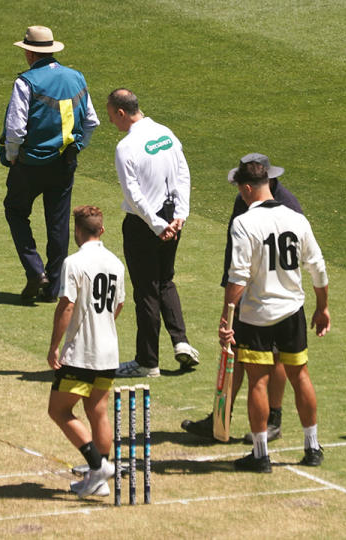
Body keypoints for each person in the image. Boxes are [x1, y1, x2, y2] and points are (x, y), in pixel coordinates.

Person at [181, 153, 302, 443]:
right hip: (246, 294)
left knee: (274, 359)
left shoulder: (288, 206)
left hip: (272, 299)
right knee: (233, 353)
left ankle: (274, 419)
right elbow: (234, 251)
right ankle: (220, 416)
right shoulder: (244, 201)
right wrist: (230, 291)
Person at [221, 157, 330, 472]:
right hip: (292, 311)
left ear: (246, 188)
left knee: (258, 382)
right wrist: (322, 307)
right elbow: (318, 267)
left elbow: (238, 277)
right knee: (301, 376)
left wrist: (227, 317)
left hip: (256, 315)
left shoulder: (244, 223)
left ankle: (260, 455)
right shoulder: (296, 218)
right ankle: (312, 448)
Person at [0, 25, 99, 303]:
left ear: (30, 53)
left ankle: (35, 271)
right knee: (57, 223)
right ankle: (53, 287)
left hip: (29, 164)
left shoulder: (26, 82)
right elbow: (91, 121)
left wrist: (12, 156)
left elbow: (16, 129)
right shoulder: (76, 77)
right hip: (64, 162)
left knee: (16, 212)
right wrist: (77, 147)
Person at [106, 88, 199, 378]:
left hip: (145, 225)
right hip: (174, 218)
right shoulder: (166, 134)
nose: (112, 123)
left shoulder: (126, 147)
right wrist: (180, 214)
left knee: (146, 290)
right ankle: (180, 341)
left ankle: (147, 362)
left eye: (112, 117)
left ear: (122, 113)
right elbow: (183, 175)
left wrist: (157, 224)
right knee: (166, 280)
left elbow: (133, 195)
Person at [47, 205, 125, 497]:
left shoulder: (74, 262)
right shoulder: (116, 263)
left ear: (77, 232)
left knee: (59, 410)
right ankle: (99, 479)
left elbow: (67, 305)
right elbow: (117, 305)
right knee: (97, 411)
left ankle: (98, 466)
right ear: (101, 230)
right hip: (108, 352)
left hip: (82, 353)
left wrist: (55, 346)